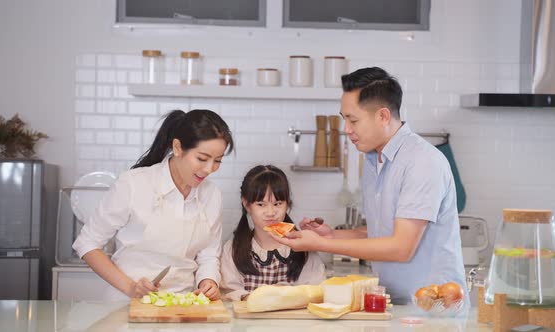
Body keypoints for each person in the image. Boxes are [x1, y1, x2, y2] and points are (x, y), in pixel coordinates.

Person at [272, 67, 467, 305]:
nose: (347, 130)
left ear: (383, 116)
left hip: (434, 308)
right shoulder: (374, 161)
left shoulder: (423, 162)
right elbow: (383, 229)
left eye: (353, 120)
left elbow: (401, 247)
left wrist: (320, 244)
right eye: (344, 119)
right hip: (397, 303)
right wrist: (333, 235)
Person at [72, 109, 234, 300]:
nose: (209, 169)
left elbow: (208, 254)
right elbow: (87, 243)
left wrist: (208, 282)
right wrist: (131, 288)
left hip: (182, 304)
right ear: (178, 147)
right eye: (202, 159)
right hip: (127, 303)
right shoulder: (133, 184)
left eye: (217, 161)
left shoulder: (212, 195)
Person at [220, 165, 325, 301]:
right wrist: (252, 298)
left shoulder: (303, 247)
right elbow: (228, 292)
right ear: (247, 205)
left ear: (287, 204)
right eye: (261, 204)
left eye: (277, 204)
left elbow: (316, 290)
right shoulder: (233, 249)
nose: (270, 213)